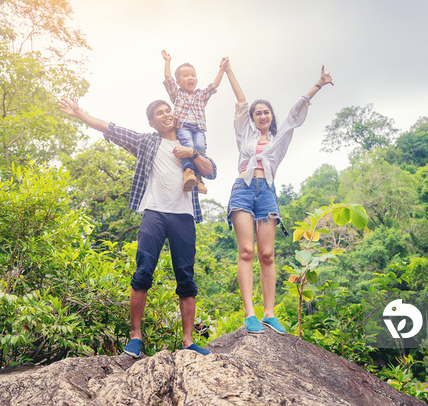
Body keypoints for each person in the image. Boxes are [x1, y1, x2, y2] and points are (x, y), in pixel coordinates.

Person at [58, 97, 217, 358]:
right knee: (143, 271)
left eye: (169, 111)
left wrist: (192, 154)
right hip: (154, 211)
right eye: (160, 113)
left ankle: (188, 342)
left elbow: (211, 171)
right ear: (152, 123)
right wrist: (79, 114)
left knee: (186, 277)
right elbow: (111, 129)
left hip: (184, 215)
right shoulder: (147, 141)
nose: (166, 115)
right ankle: (135, 336)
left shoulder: (189, 141)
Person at [222, 58, 333, 335]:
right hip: (243, 192)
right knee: (246, 252)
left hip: (267, 193)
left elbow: (296, 113)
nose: (262, 116)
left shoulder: (279, 137)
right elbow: (240, 101)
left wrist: (318, 85)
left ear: (271, 116)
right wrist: (228, 71)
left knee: (267, 254)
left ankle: (269, 314)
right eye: (258, 113)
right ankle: (250, 314)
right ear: (252, 118)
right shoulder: (244, 134)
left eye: (266, 113)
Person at [162, 49, 226, 194]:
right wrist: (167, 61)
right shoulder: (177, 94)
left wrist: (222, 69)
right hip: (183, 127)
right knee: (189, 146)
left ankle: (198, 177)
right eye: (185, 76)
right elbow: (168, 79)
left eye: (193, 75)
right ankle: (188, 171)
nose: (190, 77)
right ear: (178, 82)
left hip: (199, 128)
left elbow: (215, 85)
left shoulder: (201, 95)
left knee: (200, 148)